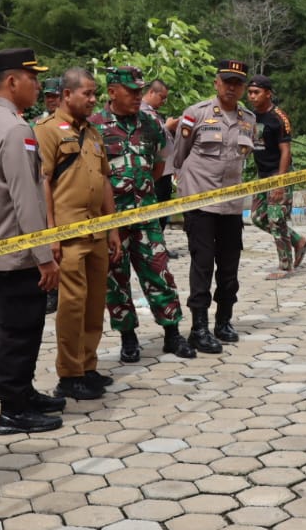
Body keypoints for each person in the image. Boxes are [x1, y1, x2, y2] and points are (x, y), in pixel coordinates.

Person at [0, 48, 65, 435]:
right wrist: (44, 256)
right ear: (12, 81)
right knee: (19, 332)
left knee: (19, 326)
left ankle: (23, 393)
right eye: (33, 78)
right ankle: (12, 409)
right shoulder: (15, 129)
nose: (38, 86)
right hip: (15, 251)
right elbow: (25, 198)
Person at [90, 67, 198, 363]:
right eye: (132, 91)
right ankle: (128, 338)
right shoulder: (94, 126)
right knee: (116, 279)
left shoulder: (151, 123)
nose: (138, 96)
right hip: (112, 219)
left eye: (140, 90)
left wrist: (140, 188)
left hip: (146, 216)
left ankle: (172, 334)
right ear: (112, 92)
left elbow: (159, 165)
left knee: (160, 273)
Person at [34, 67, 121, 401]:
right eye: (87, 93)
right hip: (68, 234)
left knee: (95, 303)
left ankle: (88, 365)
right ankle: (70, 374)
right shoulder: (47, 131)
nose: (93, 99)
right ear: (67, 94)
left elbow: (105, 180)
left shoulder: (93, 133)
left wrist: (112, 228)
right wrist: (51, 235)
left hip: (96, 231)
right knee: (72, 305)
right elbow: (43, 183)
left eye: (95, 93)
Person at [173, 59, 256, 353]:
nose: (232, 88)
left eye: (238, 83)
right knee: (203, 264)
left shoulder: (249, 119)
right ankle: (199, 328)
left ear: (243, 88)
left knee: (230, 265)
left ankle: (224, 321)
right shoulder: (196, 114)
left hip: (231, 205)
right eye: (227, 81)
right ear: (216, 83)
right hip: (200, 201)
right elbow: (179, 156)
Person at [247, 74, 306, 278]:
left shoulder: (279, 118)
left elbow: (286, 151)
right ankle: (298, 241)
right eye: (250, 92)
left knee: (276, 219)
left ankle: (285, 266)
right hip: (262, 175)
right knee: (257, 217)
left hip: (278, 174)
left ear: (268, 93)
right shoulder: (251, 117)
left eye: (256, 92)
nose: (252, 96)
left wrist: (280, 183)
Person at [141, 79, 180, 243]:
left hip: (165, 171)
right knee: (156, 213)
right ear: (151, 92)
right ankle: (154, 245)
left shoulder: (153, 112)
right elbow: (147, 136)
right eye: (161, 97)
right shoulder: (141, 112)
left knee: (163, 211)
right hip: (155, 172)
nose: (163, 101)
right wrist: (167, 127)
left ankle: (159, 244)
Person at [36, 78, 63, 314]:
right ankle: (51, 292)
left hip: (64, 197)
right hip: (44, 195)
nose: (51, 100)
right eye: (48, 96)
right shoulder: (37, 125)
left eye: (55, 95)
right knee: (49, 250)